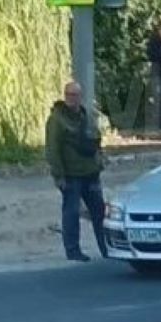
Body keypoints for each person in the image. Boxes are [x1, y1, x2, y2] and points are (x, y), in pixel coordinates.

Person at [45, 81, 108, 262]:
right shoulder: (57, 119)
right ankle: (73, 250)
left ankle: (106, 248)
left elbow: (95, 141)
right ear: (65, 96)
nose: (72, 99)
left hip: (90, 173)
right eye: (69, 95)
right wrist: (58, 175)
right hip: (71, 174)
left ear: (80, 97)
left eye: (75, 95)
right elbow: (52, 148)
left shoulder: (86, 116)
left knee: (99, 212)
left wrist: (99, 161)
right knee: (71, 213)